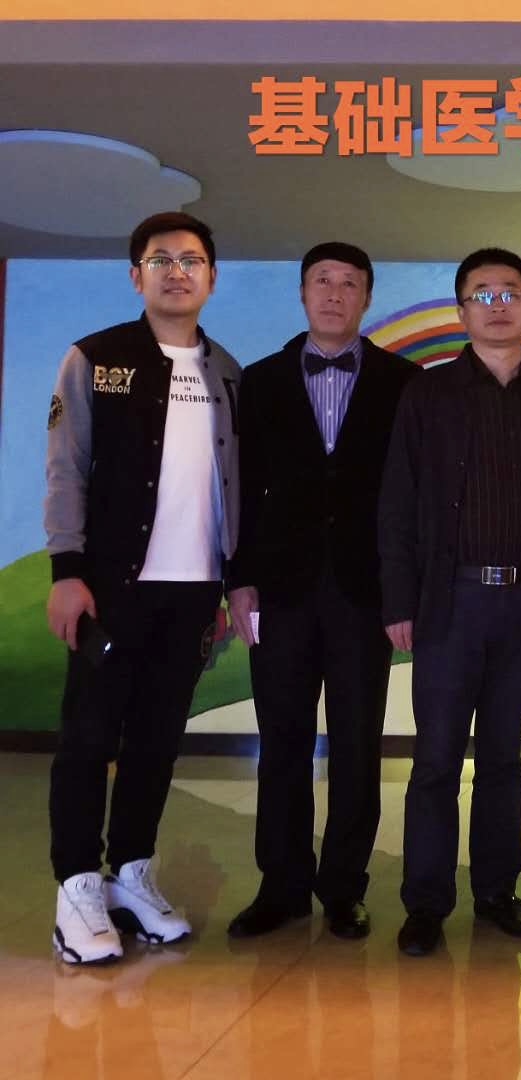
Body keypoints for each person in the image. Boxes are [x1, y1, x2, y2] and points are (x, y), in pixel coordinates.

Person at [44, 211, 241, 964]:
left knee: (157, 743)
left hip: (192, 594)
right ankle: (75, 888)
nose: (177, 272)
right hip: (110, 589)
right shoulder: (95, 358)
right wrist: (66, 572)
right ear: (137, 276)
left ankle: (130, 875)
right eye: (161, 260)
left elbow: (231, 487)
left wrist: (227, 587)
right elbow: (66, 467)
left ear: (212, 277)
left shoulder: (227, 371)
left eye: (192, 260)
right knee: (88, 738)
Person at [378, 247, 521, 956]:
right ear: (461, 310)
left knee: (503, 761)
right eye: (483, 294)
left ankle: (496, 891)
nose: (498, 305)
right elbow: (397, 501)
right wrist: (398, 601)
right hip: (448, 605)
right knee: (435, 760)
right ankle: (426, 902)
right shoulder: (427, 395)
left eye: (510, 292)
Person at [225, 242, 418, 941]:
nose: (335, 294)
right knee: (281, 741)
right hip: (280, 588)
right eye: (322, 281)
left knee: (358, 744)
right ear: (303, 293)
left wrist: (403, 590)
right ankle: (280, 886)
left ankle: (343, 888)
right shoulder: (259, 381)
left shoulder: (404, 382)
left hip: (365, 591)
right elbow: (240, 486)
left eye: (349, 283)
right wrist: (238, 578)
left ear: (367, 297)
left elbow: (411, 495)